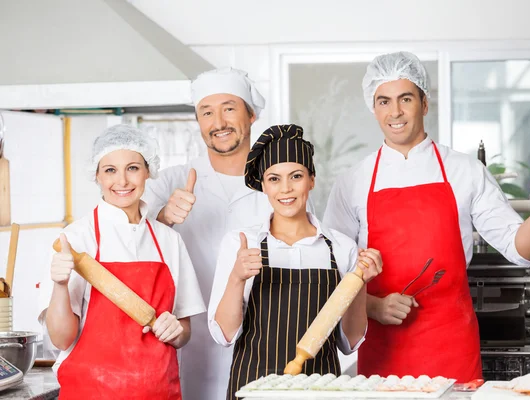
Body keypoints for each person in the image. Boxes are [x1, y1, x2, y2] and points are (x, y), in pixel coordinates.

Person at [323, 51, 530, 383]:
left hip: (451, 347)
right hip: (383, 352)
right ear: (373, 108)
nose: (395, 112)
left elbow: (522, 251)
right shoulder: (353, 182)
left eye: (405, 98)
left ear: (424, 103)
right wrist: (374, 307)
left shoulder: (465, 171)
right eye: (384, 101)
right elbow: (331, 270)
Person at [208, 124, 383, 400]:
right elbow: (225, 335)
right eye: (274, 179)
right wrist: (237, 278)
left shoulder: (340, 248)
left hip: (321, 389)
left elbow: (349, 343)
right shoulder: (241, 243)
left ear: (312, 180)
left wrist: (359, 283)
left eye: (296, 176)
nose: (286, 188)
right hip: (253, 386)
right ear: (263, 185)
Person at [38, 124, 205, 399]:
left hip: (158, 391)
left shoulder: (168, 241)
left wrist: (175, 331)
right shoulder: (76, 239)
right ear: (97, 175)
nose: (123, 181)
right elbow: (61, 339)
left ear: (148, 170)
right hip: (90, 392)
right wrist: (59, 285)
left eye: (133, 168)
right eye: (110, 170)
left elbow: (184, 331)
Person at [142, 67, 274, 400]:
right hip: (190, 348)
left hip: (265, 345)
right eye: (207, 112)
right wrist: (162, 218)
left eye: (229, 108)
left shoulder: (280, 184)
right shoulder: (170, 182)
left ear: (251, 114)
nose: (219, 122)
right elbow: (126, 243)